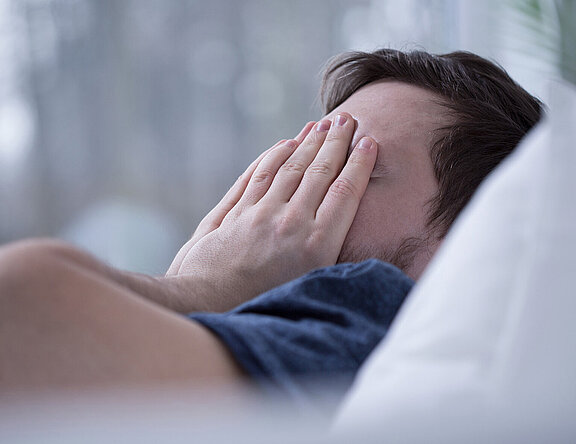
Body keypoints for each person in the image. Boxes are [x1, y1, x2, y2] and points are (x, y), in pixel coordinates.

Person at [0, 49, 541, 409]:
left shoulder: (365, 312)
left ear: (470, 237)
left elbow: (18, 308)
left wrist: (202, 289)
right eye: (301, 160)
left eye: (345, 165)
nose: (282, 197)